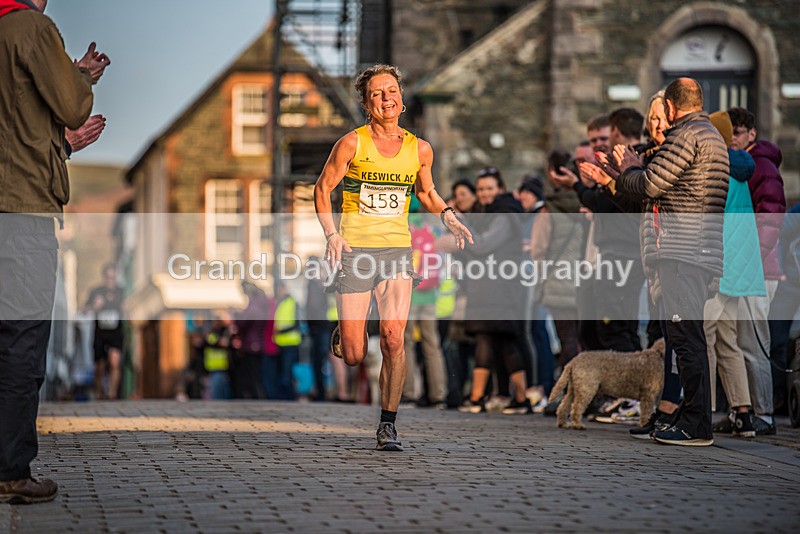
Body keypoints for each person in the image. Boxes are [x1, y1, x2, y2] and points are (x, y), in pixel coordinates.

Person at [314, 64, 472, 451]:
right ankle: (346, 332)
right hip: (355, 251)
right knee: (353, 355)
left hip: (397, 252)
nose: (387, 98)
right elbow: (322, 189)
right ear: (367, 104)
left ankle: (388, 424)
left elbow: (429, 192)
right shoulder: (352, 144)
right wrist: (332, 234)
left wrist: (449, 216)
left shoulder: (419, 148)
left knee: (392, 338)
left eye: (392, 91)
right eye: (377, 94)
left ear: (401, 99)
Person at [0, 0, 109, 504]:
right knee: (21, 343)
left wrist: (60, 146)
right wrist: (79, 80)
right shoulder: (31, 26)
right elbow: (70, 106)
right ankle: (11, 471)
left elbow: (17, 127)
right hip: (21, 214)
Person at [584, 78, 728, 446]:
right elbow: (651, 196)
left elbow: (649, 184)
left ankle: (697, 423)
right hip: (689, 250)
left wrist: (629, 167)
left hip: (684, 250)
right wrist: (615, 179)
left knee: (686, 339)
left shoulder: (688, 134)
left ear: (670, 107)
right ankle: (689, 415)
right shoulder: (704, 133)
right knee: (682, 339)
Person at [727, 106, 786, 436]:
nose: (732, 138)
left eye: (737, 132)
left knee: (753, 343)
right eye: (729, 132)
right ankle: (744, 411)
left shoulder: (759, 165)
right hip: (745, 266)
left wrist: (752, 258)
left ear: (751, 133)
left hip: (757, 269)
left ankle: (763, 413)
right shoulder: (743, 165)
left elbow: (771, 217)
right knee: (736, 341)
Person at [458, 168, 532, 414]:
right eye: (480, 189)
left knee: (497, 338)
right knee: (492, 338)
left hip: (500, 286)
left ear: (500, 189)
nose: (484, 193)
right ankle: (505, 398)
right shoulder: (488, 212)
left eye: (489, 188)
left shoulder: (503, 213)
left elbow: (483, 245)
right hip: (490, 285)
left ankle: (496, 398)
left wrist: (462, 224)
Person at [85, 263, 125, 400]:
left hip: (115, 332)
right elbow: (85, 310)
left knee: (115, 362)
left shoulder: (121, 292)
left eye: (112, 277)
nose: (110, 280)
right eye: (108, 277)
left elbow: (129, 309)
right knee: (99, 366)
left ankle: (112, 394)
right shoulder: (96, 292)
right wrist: (94, 306)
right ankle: (100, 392)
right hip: (100, 332)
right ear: (104, 277)